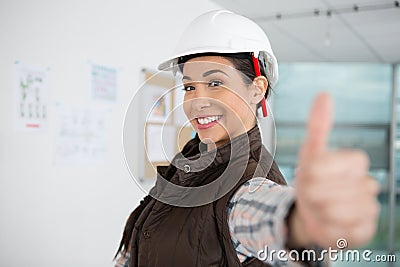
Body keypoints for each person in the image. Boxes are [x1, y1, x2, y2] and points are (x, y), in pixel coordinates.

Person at [114, 10, 379, 266]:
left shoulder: (249, 186)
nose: (197, 102)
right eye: (189, 87)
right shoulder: (190, 159)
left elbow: (266, 216)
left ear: (256, 89)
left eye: (215, 83)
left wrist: (301, 223)